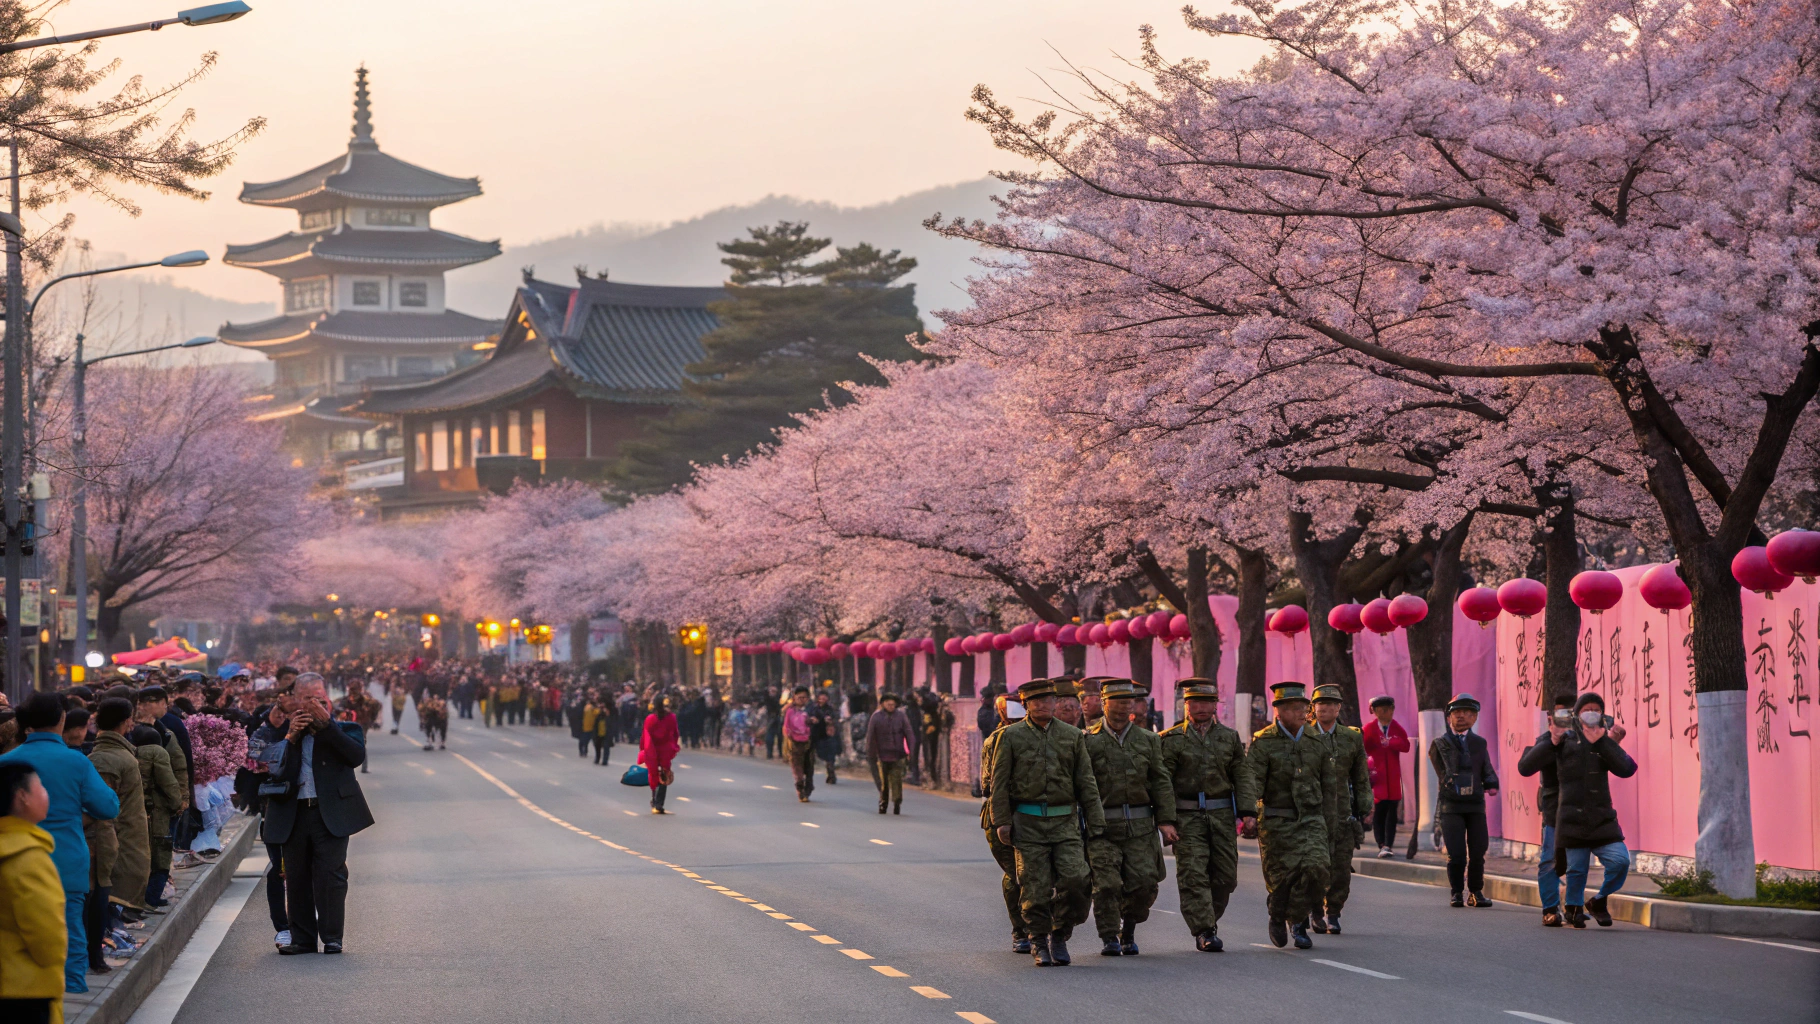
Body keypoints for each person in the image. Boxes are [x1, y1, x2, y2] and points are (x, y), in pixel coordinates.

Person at [0, 695, 117, 992]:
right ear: (62, 719)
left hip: (12, 861)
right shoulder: (76, 761)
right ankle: (71, 990)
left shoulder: (6, 762)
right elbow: (108, 806)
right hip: (66, 860)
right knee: (69, 930)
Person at [988, 678, 1105, 967]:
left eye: (1048, 700)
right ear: (1026, 705)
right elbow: (999, 783)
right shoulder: (1011, 736)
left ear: (1055, 702)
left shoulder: (1072, 736)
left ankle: (1060, 934)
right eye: (1036, 701)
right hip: (1027, 822)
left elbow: (1086, 781)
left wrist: (1096, 820)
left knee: (1077, 879)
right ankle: (1038, 940)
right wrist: (1001, 822)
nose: (1043, 705)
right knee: (1035, 886)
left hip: (1065, 821)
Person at [262, 674, 374, 954]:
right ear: (295, 700)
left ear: (327, 698)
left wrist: (328, 727)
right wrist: (291, 737)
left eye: (318, 698)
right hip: (294, 812)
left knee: (331, 875)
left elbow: (355, 757)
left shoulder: (346, 728)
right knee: (296, 876)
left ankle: (332, 937)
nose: (313, 704)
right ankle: (302, 939)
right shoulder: (284, 730)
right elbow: (271, 766)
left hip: (330, 813)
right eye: (306, 699)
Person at [1157, 678, 1254, 953]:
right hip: (1186, 817)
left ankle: (1209, 918)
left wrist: (1248, 813)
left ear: (1215, 706)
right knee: (1193, 874)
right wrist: (1165, 820)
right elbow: (1162, 783)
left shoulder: (1229, 738)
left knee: (1226, 877)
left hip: (1221, 815)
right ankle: (1204, 930)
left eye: (1207, 702)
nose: (1201, 707)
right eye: (1195, 702)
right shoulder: (1170, 739)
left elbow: (1242, 776)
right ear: (1186, 706)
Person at [1243, 681, 1339, 950]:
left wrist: (1331, 823)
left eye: (1303, 707)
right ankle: (1277, 913)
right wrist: (1248, 813)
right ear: (1278, 711)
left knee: (1317, 868)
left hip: (1311, 818)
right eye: (1294, 708)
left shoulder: (1315, 741)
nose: (1301, 713)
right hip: (1277, 819)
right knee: (1283, 877)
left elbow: (1329, 785)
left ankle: (1297, 922)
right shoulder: (1264, 741)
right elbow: (1252, 781)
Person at [1083, 679, 1174, 956]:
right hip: (1102, 828)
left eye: (1128, 702)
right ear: (1104, 703)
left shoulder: (1148, 740)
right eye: (1117, 701)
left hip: (1140, 826)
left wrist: (1166, 821)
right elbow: (1080, 785)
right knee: (1106, 884)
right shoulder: (1087, 740)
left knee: (1144, 882)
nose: (1123, 707)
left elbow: (1160, 781)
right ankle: (1109, 936)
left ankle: (1129, 929)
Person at [1541, 692, 1637, 928]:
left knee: (1620, 862)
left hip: (1602, 820)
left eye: (1596, 709)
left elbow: (1627, 768)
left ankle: (1599, 900)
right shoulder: (1564, 739)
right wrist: (1553, 739)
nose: (1591, 713)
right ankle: (1572, 909)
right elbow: (1530, 766)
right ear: (1577, 715)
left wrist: (1606, 742)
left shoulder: (1604, 741)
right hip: (1571, 818)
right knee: (1576, 869)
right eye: (1586, 709)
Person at [0, 761, 67, 1024]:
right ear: (23, 797)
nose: (46, 794)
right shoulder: (28, 858)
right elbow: (47, 936)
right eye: (40, 787)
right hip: (27, 989)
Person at [1308, 684, 1371, 934]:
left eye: (1331, 704)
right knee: (1315, 866)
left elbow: (1361, 776)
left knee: (1342, 868)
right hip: (1312, 813)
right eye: (1320, 703)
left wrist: (1365, 805)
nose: (1325, 707)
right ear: (1313, 708)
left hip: (1343, 813)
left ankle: (1333, 912)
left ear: (1338, 708)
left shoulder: (1351, 737)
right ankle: (1315, 910)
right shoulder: (1304, 736)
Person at [1427, 693, 1500, 909]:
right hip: (1451, 805)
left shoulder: (1479, 743)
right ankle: (1457, 892)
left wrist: (1491, 783)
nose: (1461, 716)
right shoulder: (1440, 744)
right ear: (1449, 717)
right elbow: (1443, 773)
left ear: (1475, 717)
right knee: (1456, 854)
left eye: (1467, 713)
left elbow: (1486, 767)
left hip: (1475, 805)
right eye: (1456, 712)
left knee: (1478, 851)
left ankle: (1476, 892)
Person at [86, 700, 148, 938]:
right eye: (130, 717)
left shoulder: (114, 754)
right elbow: (101, 810)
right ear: (124, 722)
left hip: (124, 836)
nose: (132, 723)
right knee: (112, 892)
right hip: (116, 839)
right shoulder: (106, 759)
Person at [1517, 694, 1577, 926]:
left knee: (1577, 862)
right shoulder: (1545, 740)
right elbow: (1525, 767)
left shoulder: (1587, 739)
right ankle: (1550, 909)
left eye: (1571, 713)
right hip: (1554, 812)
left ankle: (1574, 908)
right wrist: (1553, 740)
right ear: (1551, 717)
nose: (1566, 718)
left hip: (1582, 810)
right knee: (1550, 860)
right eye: (1561, 714)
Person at [979, 694, 1029, 953]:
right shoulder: (997, 739)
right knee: (1017, 874)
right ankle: (1021, 930)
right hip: (1000, 815)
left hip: (1033, 815)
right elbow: (989, 785)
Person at [129, 726, 183, 912]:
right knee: (161, 852)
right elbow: (168, 782)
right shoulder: (158, 753)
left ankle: (137, 898)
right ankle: (152, 897)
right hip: (159, 810)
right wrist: (177, 804)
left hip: (136, 810)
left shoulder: (130, 752)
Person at [1362, 695, 1410, 857]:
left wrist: (1391, 743)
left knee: (1392, 812)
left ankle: (1388, 845)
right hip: (1378, 777)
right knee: (1379, 811)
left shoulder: (1396, 727)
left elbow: (1406, 746)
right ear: (1375, 712)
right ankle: (1381, 843)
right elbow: (1362, 746)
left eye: (1389, 709)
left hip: (1394, 778)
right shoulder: (1369, 728)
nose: (1386, 713)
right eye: (1381, 710)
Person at [865, 693, 914, 815]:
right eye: (888, 704)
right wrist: (870, 753)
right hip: (881, 755)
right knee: (883, 782)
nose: (891, 706)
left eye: (893, 704)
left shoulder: (901, 716)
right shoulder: (876, 717)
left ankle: (897, 802)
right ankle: (883, 802)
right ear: (883, 704)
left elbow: (909, 734)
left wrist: (911, 752)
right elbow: (870, 737)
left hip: (898, 754)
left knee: (897, 780)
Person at [639, 698, 680, 814]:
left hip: (652, 749)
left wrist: (643, 749)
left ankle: (654, 799)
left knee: (653, 773)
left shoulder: (650, 719)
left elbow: (645, 736)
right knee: (664, 774)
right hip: (665, 750)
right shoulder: (671, 717)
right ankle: (659, 803)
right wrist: (674, 746)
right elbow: (675, 733)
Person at [781, 688, 816, 803]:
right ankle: (800, 790)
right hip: (794, 742)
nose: (802, 700)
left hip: (809, 742)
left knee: (809, 767)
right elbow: (786, 726)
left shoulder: (811, 709)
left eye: (804, 697)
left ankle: (808, 787)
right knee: (797, 768)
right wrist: (789, 738)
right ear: (794, 698)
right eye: (799, 697)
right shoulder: (789, 710)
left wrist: (813, 721)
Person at [809, 689, 840, 785]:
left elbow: (835, 718)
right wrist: (812, 720)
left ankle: (831, 774)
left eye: (824, 698)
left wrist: (830, 720)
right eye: (821, 698)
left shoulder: (830, 709)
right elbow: (808, 718)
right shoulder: (814, 709)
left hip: (828, 735)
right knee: (820, 753)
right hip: (817, 734)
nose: (822, 700)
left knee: (830, 755)